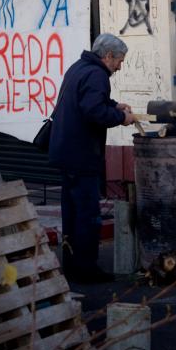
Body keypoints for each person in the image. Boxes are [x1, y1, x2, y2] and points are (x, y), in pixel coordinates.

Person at [48, 33, 136, 283]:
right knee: (87, 213)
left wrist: (114, 104)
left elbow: (89, 100)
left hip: (66, 153)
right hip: (82, 155)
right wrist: (122, 118)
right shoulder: (98, 75)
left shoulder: (79, 68)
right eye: (119, 60)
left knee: (71, 212)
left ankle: (72, 265)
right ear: (108, 56)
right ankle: (87, 269)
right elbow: (93, 111)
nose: (120, 65)